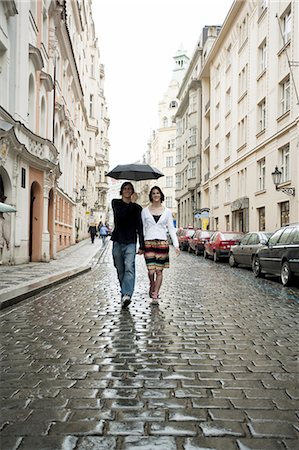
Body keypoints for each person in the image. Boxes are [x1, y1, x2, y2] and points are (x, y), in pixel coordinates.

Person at [141, 186, 180, 304]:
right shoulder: (145, 211)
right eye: (153, 193)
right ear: (151, 196)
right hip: (148, 242)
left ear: (161, 195)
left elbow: (171, 229)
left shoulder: (167, 212)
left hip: (162, 243)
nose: (156, 195)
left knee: (159, 271)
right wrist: (141, 245)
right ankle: (151, 284)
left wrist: (176, 245)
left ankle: (155, 294)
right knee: (151, 271)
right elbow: (142, 229)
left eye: (158, 193)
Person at [111, 181, 145, 308]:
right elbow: (121, 217)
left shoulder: (137, 208)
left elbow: (140, 227)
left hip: (131, 242)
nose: (127, 190)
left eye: (129, 189)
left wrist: (142, 245)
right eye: (125, 188)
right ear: (121, 191)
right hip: (118, 241)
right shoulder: (116, 203)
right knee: (120, 269)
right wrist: (131, 204)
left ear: (132, 191)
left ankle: (127, 295)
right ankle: (124, 292)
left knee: (129, 267)